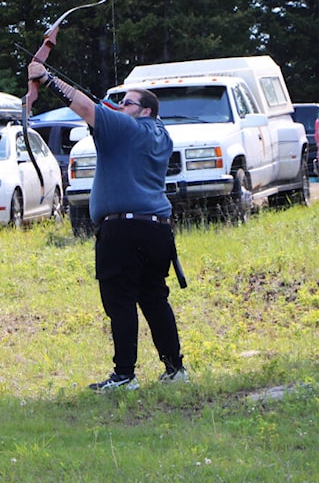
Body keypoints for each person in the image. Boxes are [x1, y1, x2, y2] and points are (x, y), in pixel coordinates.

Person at [27, 60, 187, 391]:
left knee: (120, 301)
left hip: (123, 231)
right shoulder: (162, 135)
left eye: (127, 102)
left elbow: (83, 105)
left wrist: (45, 77)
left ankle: (125, 375)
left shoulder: (127, 128)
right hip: (158, 230)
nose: (119, 105)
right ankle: (175, 370)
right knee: (155, 299)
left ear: (145, 111)